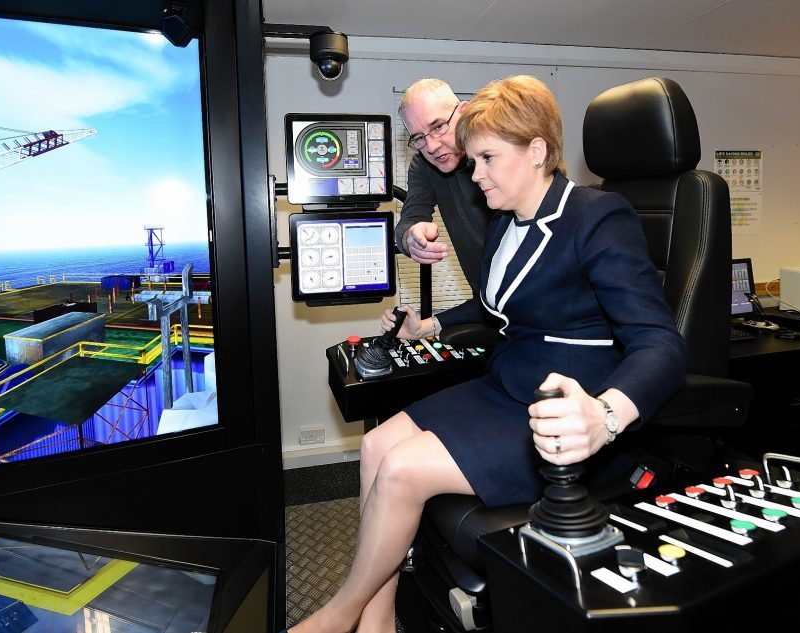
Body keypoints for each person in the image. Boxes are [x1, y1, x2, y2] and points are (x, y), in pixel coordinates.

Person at [287, 75, 687, 633]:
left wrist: (607, 413)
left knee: (401, 471)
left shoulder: (598, 216)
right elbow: (492, 305)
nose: (474, 175)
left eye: (487, 159)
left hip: (560, 406)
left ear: (537, 151)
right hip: (504, 385)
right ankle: (376, 622)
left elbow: (661, 342)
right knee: (377, 444)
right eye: (472, 159)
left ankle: (339, 614)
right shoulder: (502, 225)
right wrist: (429, 325)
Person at [395, 78, 493, 290]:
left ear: (463, 113)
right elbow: (410, 218)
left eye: (438, 126)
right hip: (487, 300)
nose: (431, 147)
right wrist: (410, 237)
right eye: (419, 138)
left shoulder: (499, 152)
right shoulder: (424, 165)